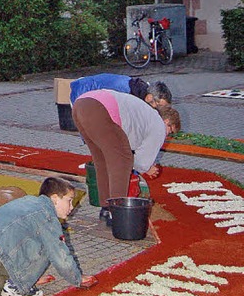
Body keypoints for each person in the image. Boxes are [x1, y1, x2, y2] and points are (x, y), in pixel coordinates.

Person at [0, 177, 98, 296]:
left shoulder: (29, 201)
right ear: (55, 198)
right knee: (50, 245)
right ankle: (18, 287)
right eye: (69, 200)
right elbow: (60, 255)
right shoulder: (46, 216)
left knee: (35, 242)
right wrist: (77, 278)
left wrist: (33, 276)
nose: (72, 207)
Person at [72, 89, 181, 225]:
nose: (167, 136)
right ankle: (117, 215)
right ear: (167, 122)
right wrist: (147, 168)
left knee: (103, 160)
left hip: (81, 104)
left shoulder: (145, 116)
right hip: (100, 109)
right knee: (122, 161)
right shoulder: (159, 125)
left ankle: (106, 208)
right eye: (170, 131)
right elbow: (140, 161)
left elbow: (128, 143)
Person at [69, 73, 172, 109]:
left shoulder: (138, 88)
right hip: (82, 91)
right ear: (150, 96)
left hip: (88, 90)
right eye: (158, 104)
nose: (155, 107)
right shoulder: (127, 91)